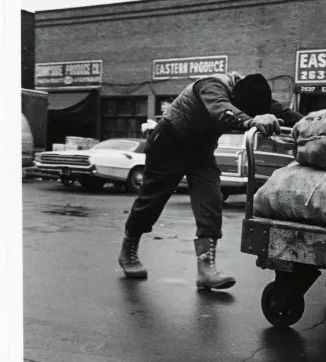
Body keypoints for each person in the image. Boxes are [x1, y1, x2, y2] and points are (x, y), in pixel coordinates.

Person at [118, 72, 297, 290]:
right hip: (168, 142)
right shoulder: (212, 86)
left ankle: (205, 269)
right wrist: (250, 121)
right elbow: (220, 108)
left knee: (210, 202)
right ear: (236, 98)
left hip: (201, 150)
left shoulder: (252, 93)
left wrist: (315, 123)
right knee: (151, 201)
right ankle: (128, 251)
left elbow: (285, 113)